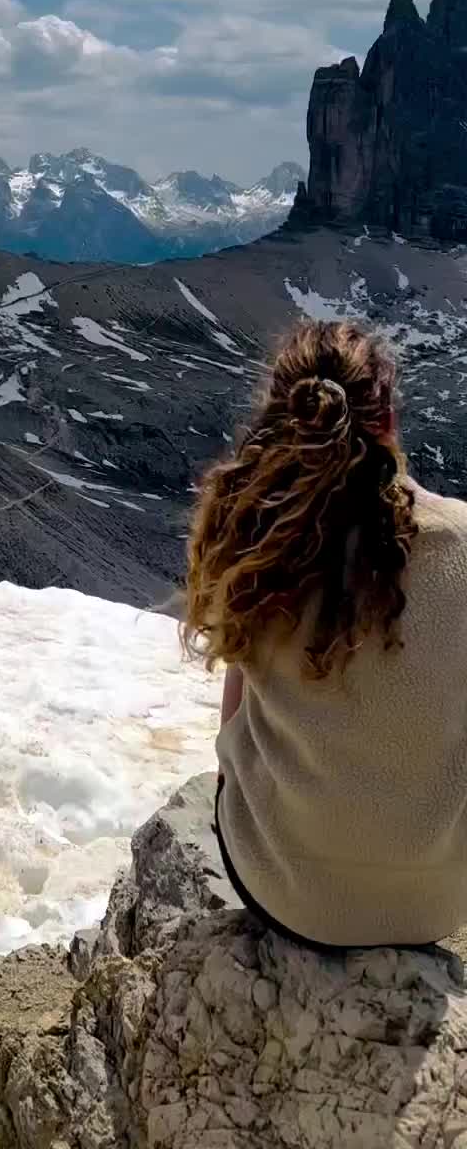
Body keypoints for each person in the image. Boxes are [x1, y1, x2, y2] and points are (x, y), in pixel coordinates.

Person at [180, 317, 467, 953]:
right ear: (388, 420)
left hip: (286, 892)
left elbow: (231, 729)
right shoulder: (464, 542)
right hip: (439, 901)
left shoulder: (259, 543)